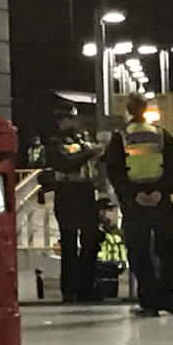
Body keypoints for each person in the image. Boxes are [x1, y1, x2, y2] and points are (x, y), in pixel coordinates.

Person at [107, 93, 173, 317]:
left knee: (140, 252)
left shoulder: (120, 137)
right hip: (161, 202)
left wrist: (134, 195)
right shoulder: (161, 135)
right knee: (167, 251)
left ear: (129, 112)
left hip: (135, 205)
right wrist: (161, 191)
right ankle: (167, 299)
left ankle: (149, 302)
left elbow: (115, 171)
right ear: (145, 110)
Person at [47, 103, 105, 302]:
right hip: (68, 195)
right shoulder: (55, 142)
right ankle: (70, 289)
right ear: (61, 121)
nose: (74, 122)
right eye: (70, 119)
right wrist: (90, 153)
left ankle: (86, 286)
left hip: (86, 194)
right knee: (69, 244)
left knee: (91, 239)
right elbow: (66, 163)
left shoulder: (81, 139)